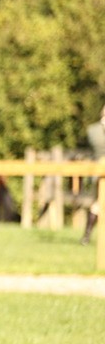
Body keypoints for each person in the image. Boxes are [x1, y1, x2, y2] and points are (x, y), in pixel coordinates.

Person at [82, 105, 105, 245]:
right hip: (101, 169)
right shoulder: (95, 131)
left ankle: (86, 235)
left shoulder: (92, 130)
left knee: (97, 203)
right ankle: (87, 235)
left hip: (97, 170)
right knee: (98, 203)